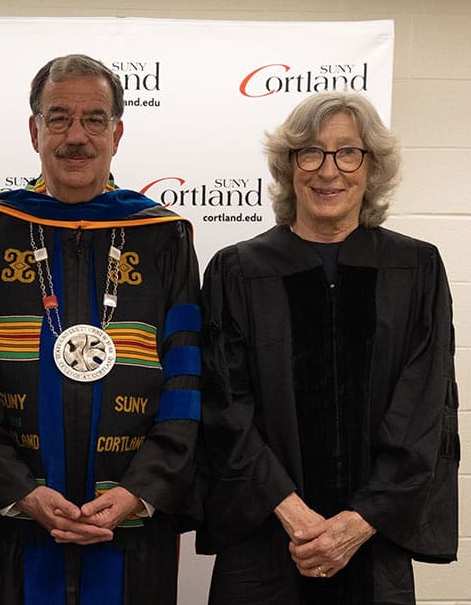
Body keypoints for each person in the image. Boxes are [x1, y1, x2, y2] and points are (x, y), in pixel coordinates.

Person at [0, 53, 202, 604]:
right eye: (58, 118)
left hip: (133, 526)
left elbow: (187, 378)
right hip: (19, 524)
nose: (76, 136)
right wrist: (18, 490)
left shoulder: (163, 236)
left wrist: (140, 490)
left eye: (94, 119)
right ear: (34, 130)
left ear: (117, 133)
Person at [196, 91, 459, 604]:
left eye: (348, 152)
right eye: (310, 152)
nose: (328, 170)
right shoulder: (239, 271)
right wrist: (295, 514)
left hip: (373, 542)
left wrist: (358, 522)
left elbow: (425, 409)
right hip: (267, 540)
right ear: (289, 165)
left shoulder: (415, 269)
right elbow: (224, 406)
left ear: (372, 166)